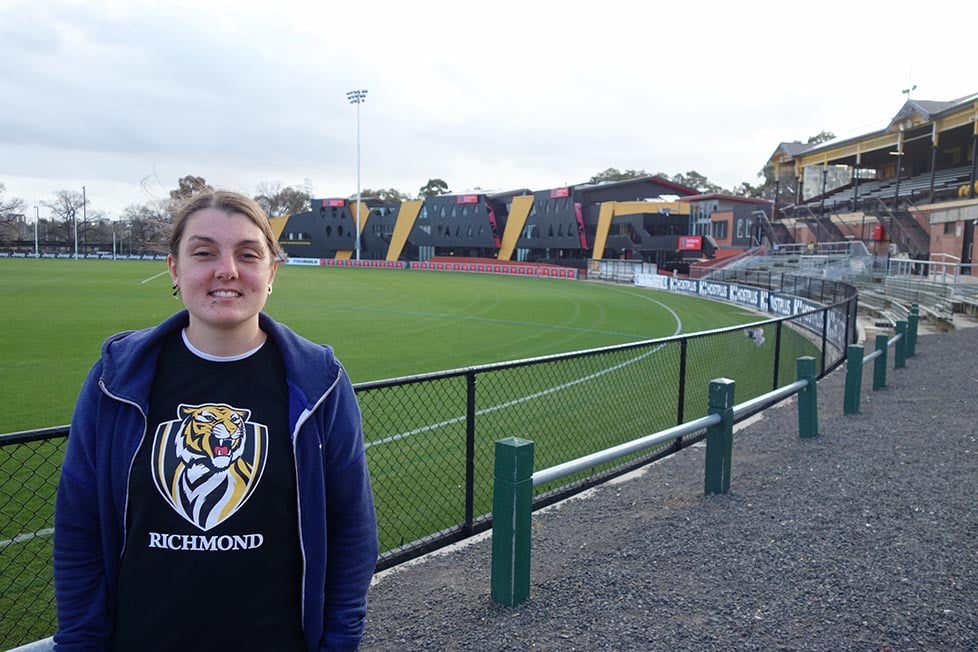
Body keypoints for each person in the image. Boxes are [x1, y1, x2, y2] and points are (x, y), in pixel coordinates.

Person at [53, 190, 378, 651]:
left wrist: (339, 643)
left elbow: (353, 531)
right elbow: (78, 530)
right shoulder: (114, 380)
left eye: (248, 254)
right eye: (204, 253)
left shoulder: (320, 382)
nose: (227, 270)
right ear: (174, 269)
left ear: (272, 273)